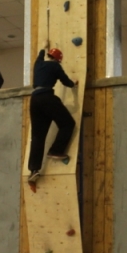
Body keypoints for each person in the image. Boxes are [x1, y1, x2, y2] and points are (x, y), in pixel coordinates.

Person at [27, 46, 78, 184]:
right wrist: (73, 84)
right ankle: (56, 150)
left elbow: (40, 54)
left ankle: (33, 170)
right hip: (47, 97)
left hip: (34, 100)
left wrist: (44, 47)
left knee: (37, 136)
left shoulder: (38, 63)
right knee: (68, 123)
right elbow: (65, 82)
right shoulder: (55, 66)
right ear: (57, 60)